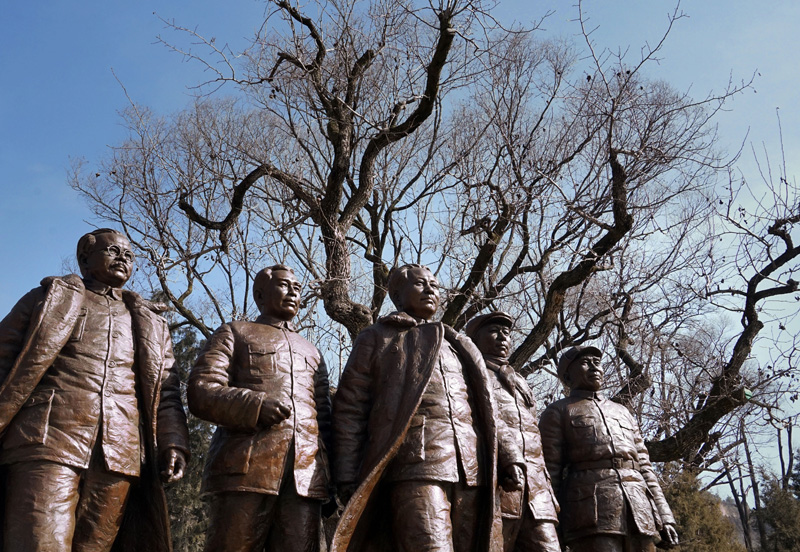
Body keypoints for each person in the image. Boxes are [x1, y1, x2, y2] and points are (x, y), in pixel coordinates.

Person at [0, 228, 189, 552]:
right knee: (39, 541)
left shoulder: (151, 323)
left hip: (121, 452)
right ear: (85, 259)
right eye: (113, 251)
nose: (122, 259)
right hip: (48, 438)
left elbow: (166, 391)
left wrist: (173, 442)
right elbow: (3, 356)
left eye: (129, 255)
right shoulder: (48, 298)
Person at [331, 263, 507, 552]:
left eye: (435, 286)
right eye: (420, 284)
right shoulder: (377, 337)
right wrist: (347, 473)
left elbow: (488, 411)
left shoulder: (458, 343)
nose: (430, 290)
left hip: (472, 468)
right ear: (398, 296)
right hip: (416, 463)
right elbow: (351, 406)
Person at [188, 264, 332, 552]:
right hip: (245, 469)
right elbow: (201, 390)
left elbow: (326, 420)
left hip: (304, 477)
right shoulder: (235, 332)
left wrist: (335, 478)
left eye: (297, 287)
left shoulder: (312, 352)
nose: (293, 291)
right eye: (283, 285)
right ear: (260, 294)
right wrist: (254, 404)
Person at [539, 346, 680, 552]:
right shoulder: (558, 411)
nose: (595, 367)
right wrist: (549, 524)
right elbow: (549, 472)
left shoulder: (622, 412)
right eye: (586, 362)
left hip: (639, 510)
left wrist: (665, 517)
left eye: (598, 362)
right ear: (567, 375)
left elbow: (645, 467)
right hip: (590, 513)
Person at [465, 312, 560, 552]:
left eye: (507, 333)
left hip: (536, 489)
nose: (503, 338)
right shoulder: (469, 373)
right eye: (494, 331)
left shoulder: (520, 382)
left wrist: (547, 487)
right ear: (475, 339)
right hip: (495, 481)